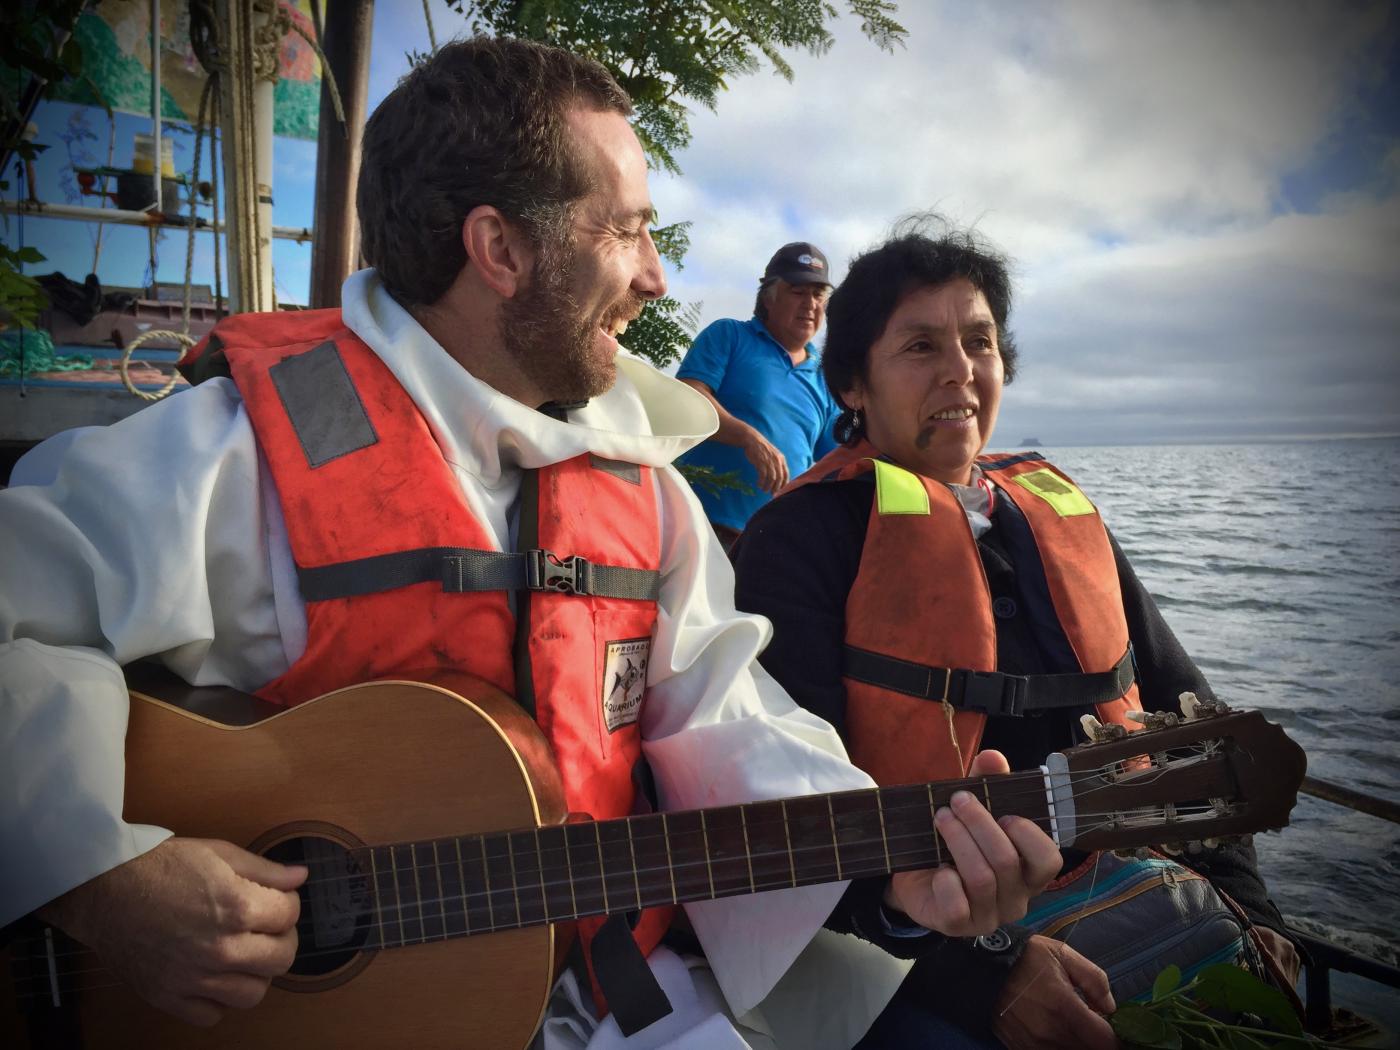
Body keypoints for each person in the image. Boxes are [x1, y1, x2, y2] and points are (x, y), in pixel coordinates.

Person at [0, 45, 1060, 1050]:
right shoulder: (242, 450)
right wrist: (101, 882)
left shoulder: (644, 488)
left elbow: (733, 730)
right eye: (627, 230)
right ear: (500, 250)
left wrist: (888, 872)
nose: (654, 276)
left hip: (616, 1005)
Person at [733, 218, 1302, 1050]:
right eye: (921, 347)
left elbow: (1194, 730)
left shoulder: (1060, 518)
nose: (960, 370)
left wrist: (1250, 913)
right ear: (853, 384)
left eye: (979, 342)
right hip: (916, 944)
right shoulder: (801, 539)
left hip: (1131, 892)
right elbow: (791, 820)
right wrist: (989, 974)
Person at [675, 243, 842, 548]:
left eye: (818, 294)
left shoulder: (825, 377)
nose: (810, 304)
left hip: (775, 546)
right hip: (697, 528)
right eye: (797, 291)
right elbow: (687, 398)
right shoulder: (729, 335)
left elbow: (836, 463)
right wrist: (747, 437)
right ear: (769, 297)